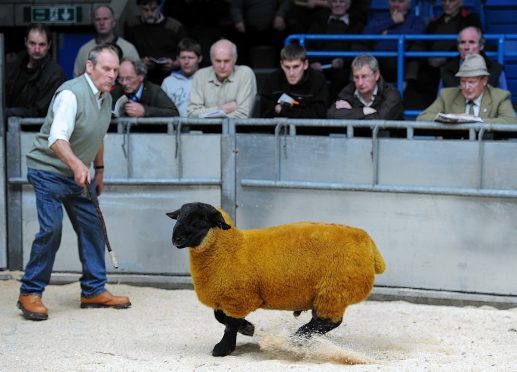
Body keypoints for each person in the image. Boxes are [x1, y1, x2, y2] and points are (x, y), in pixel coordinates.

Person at [17, 44, 131, 322]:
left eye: (115, 70)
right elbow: (56, 139)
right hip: (47, 170)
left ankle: (93, 290)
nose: (112, 75)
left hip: (77, 175)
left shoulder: (105, 98)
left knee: (92, 227)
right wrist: (79, 164)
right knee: (51, 230)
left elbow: (98, 136)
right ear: (90, 67)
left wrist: (99, 169)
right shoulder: (71, 94)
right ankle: (29, 293)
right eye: (106, 68)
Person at [409, 0, 482, 108]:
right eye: (444, 0)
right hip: (432, 66)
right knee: (417, 79)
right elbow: (425, 43)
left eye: (451, 1)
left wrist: (445, 58)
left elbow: (469, 44)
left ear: (460, 2)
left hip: (457, 64)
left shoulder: (470, 20)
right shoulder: (435, 22)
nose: (447, 3)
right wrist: (428, 58)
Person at [417, 54, 517, 124]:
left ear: (484, 81)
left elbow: (511, 121)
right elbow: (422, 118)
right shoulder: (447, 95)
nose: (466, 87)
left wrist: (476, 120)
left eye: (471, 82)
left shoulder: (499, 97)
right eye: (463, 82)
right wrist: (450, 119)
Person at [306, 0, 365, 100]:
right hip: (319, 65)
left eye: (341, 1)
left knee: (342, 77)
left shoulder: (357, 23)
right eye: (334, 1)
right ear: (329, 4)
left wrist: (343, 60)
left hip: (344, 66)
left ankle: (336, 110)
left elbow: (358, 46)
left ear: (348, 4)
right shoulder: (318, 21)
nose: (337, 4)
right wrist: (313, 62)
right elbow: (309, 44)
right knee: (312, 76)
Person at [5, 23, 66, 118]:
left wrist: (6, 113)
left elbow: (39, 112)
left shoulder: (54, 75)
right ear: (25, 42)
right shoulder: (16, 64)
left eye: (42, 44)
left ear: (49, 45)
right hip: (10, 126)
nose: (37, 49)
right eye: (32, 43)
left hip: (37, 129)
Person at [187, 39, 257, 118]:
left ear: (235, 59)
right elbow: (192, 114)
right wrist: (222, 109)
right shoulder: (200, 75)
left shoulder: (245, 74)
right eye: (218, 61)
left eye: (226, 61)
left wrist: (207, 114)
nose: (222, 66)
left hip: (237, 130)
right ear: (211, 59)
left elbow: (243, 115)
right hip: (206, 130)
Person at [362, 0, 426, 85]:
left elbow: (417, 34)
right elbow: (366, 32)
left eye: (401, 1)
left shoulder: (416, 20)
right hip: (380, 62)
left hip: (403, 62)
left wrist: (387, 33)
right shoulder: (379, 18)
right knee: (362, 52)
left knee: (417, 50)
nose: (396, 5)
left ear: (409, 3)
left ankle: (405, 88)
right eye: (393, 1)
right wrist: (392, 21)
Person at [125, 0, 187, 85]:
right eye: (145, 10)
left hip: (171, 76)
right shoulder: (132, 25)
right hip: (141, 76)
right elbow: (127, 52)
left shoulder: (174, 27)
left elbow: (187, 52)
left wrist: (174, 64)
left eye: (153, 9)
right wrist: (139, 62)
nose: (150, 14)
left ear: (159, 7)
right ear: (139, 8)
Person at [260, 43, 329, 118]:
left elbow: (319, 116)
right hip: (278, 129)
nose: (291, 73)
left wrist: (283, 111)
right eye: (287, 67)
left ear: (305, 64)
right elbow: (265, 117)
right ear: (281, 64)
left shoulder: (317, 80)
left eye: (296, 67)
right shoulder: (272, 80)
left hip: (309, 130)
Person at [327, 54, 404, 120]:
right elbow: (331, 115)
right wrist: (364, 111)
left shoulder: (391, 94)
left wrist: (351, 112)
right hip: (357, 137)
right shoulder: (349, 90)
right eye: (356, 77)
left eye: (364, 77)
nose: (360, 83)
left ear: (376, 75)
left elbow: (380, 120)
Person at [73, 5, 140, 77]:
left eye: (105, 19)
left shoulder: (128, 48)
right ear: (93, 23)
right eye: (98, 19)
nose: (101, 23)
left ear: (114, 22)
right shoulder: (84, 50)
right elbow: (76, 78)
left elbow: (138, 76)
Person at [439, 26, 507, 90]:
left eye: (472, 42)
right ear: (458, 46)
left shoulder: (496, 69)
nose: (466, 47)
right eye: (462, 42)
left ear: (481, 46)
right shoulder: (447, 70)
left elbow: (504, 99)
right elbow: (440, 100)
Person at [229, 0, 290, 67]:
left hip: (273, 28)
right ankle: (244, 69)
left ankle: (283, 67)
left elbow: (286, 2)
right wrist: (238, 21)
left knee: (286, 33)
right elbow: (235, 6)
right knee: (235, 37)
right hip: (248, 29)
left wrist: (280, 15)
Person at [111, 58, 179, 117]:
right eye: (121, 79)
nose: (124, 83)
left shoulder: (154, 91)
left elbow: (173, 113)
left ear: (141, 77)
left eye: (129, 79)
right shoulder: (117, 91)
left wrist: (145, 111)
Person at [161, 38, 203, 117]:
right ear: (177, 59)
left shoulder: (206, 80)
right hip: (174, 127)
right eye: (183, 58)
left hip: (200, 127)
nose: (186, 62)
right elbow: (162, 109)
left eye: (191, 58)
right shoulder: (168, 82)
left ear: (199, 59)